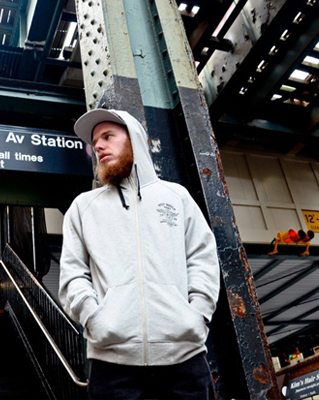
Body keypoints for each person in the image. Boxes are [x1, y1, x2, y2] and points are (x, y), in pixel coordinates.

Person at [58, 109, 221, 399]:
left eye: (108, 136)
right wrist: (95, 318)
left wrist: (196, 316)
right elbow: (73, 273)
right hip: (112, 364)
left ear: (134, 139)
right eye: (95, 142)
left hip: (184, 359)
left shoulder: (176, 197)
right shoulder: (83, 207)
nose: (99, 146)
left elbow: (202, 258)